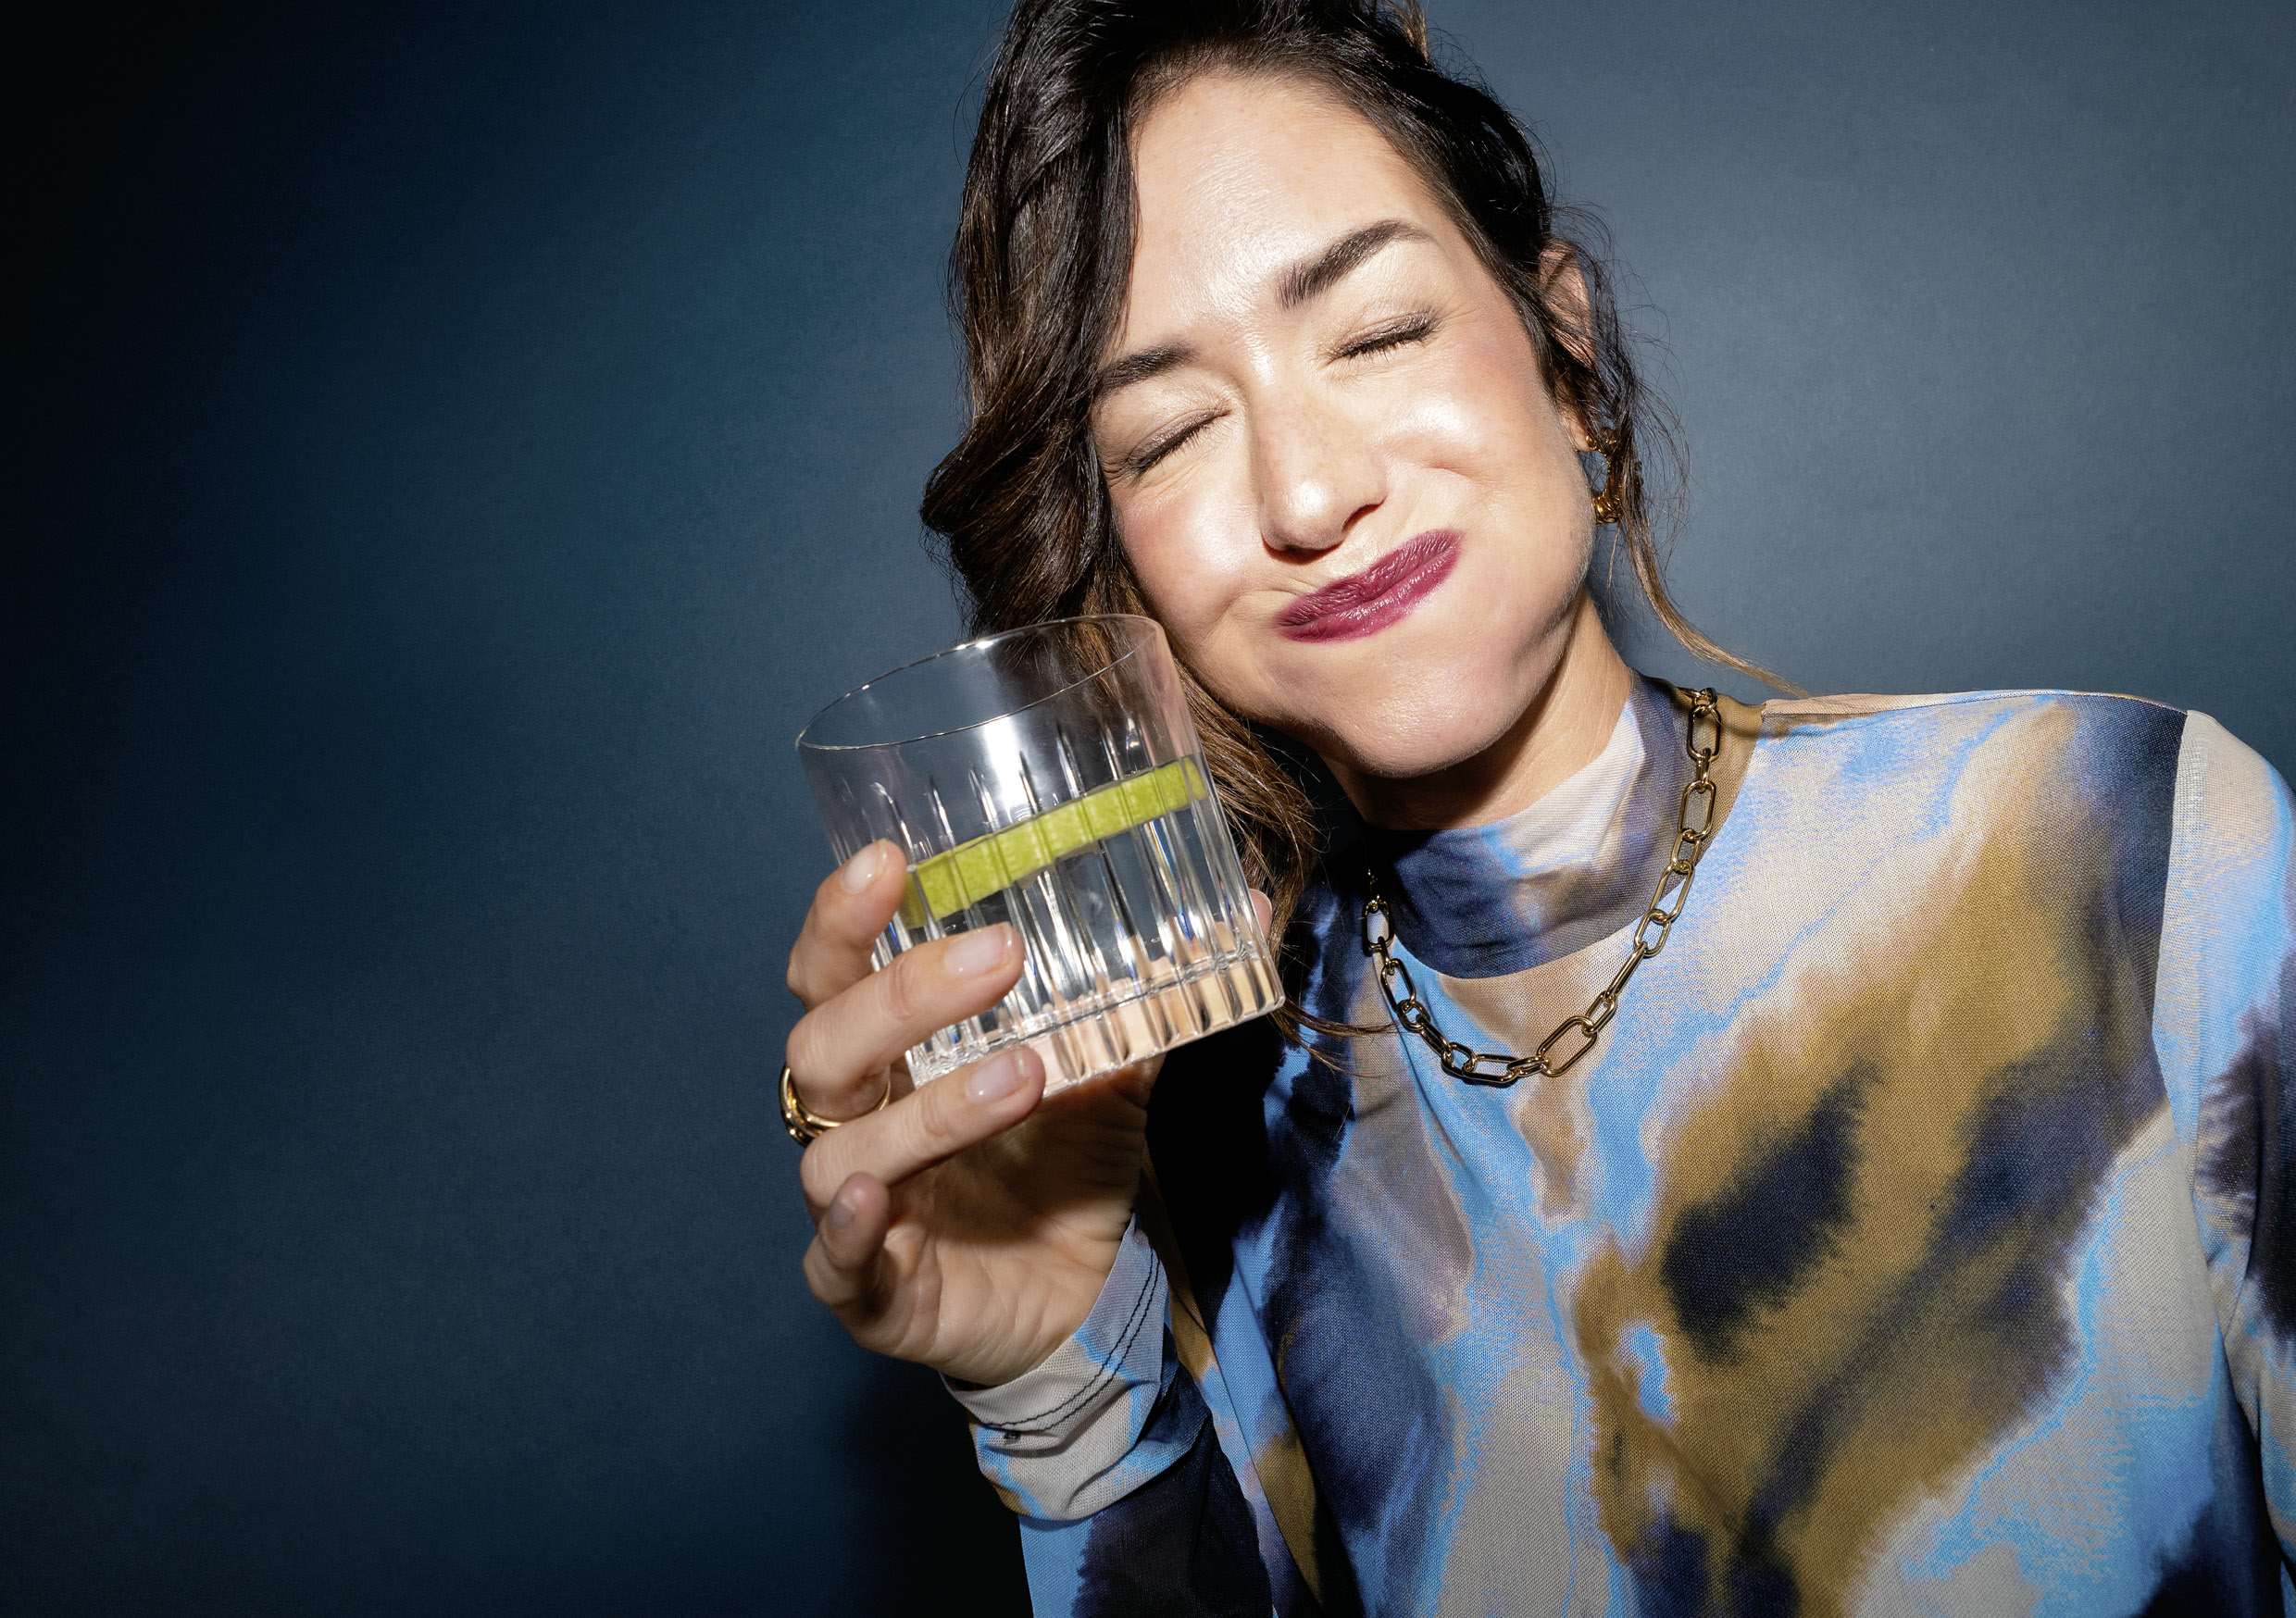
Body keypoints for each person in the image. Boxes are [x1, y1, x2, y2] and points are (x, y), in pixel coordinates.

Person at [780, 2, 2296, 1612]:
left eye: (1375, 332)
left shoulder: (2118, 842)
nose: (1309, 494)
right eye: (1169, 435)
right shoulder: (1191, 1127)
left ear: (1564, 349)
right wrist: (1063, 1402)